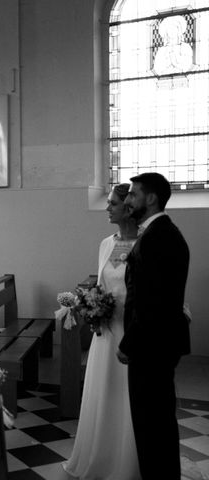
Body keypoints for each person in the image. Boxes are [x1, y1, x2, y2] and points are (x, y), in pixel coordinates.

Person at [63, 183, 140, 479]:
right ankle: (102, 453)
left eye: (112, 203)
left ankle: (128, 462)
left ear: (128, 208)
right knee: (104, 391)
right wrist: (91, 304)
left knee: (129, 395)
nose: (107, 208)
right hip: (106, 332)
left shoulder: (145, 243)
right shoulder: (106, 243)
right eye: (107, 202)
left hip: (131, 330)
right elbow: (101, 286)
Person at [118, 172, 190, 479]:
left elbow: (150, 302)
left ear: (151, 198)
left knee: (151, 426)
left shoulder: (157, 238)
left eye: (133, 195)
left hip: (150, 347)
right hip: (158, 344)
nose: (128, 200)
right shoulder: (160, 233)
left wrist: (128, 344)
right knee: (156, 424)